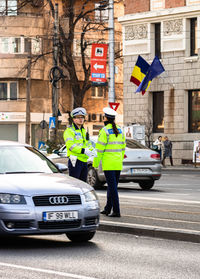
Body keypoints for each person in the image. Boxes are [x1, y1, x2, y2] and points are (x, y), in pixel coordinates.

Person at [93, 107, 126, 217]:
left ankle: (116, 211)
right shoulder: (120, 130)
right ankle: (108, 208)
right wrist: (119, 160)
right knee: (112, 187)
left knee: (112, 189)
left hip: (108, 163)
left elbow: (99, 149)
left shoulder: (104, 131)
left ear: (105, 118)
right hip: (117, 163)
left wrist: (95, 163)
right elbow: (123, 147)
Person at [63, 107, 94, 182]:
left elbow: (88, 144)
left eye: (82, 117)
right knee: (75, 183)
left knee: (83, 184)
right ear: (73, 119)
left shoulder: (84, 131)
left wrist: (92, 150)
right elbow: (71, 146)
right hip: (74, 160)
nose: (81, 119)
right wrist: (83, 151)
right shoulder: (69, 131)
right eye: (78, 117)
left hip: (84, 160)